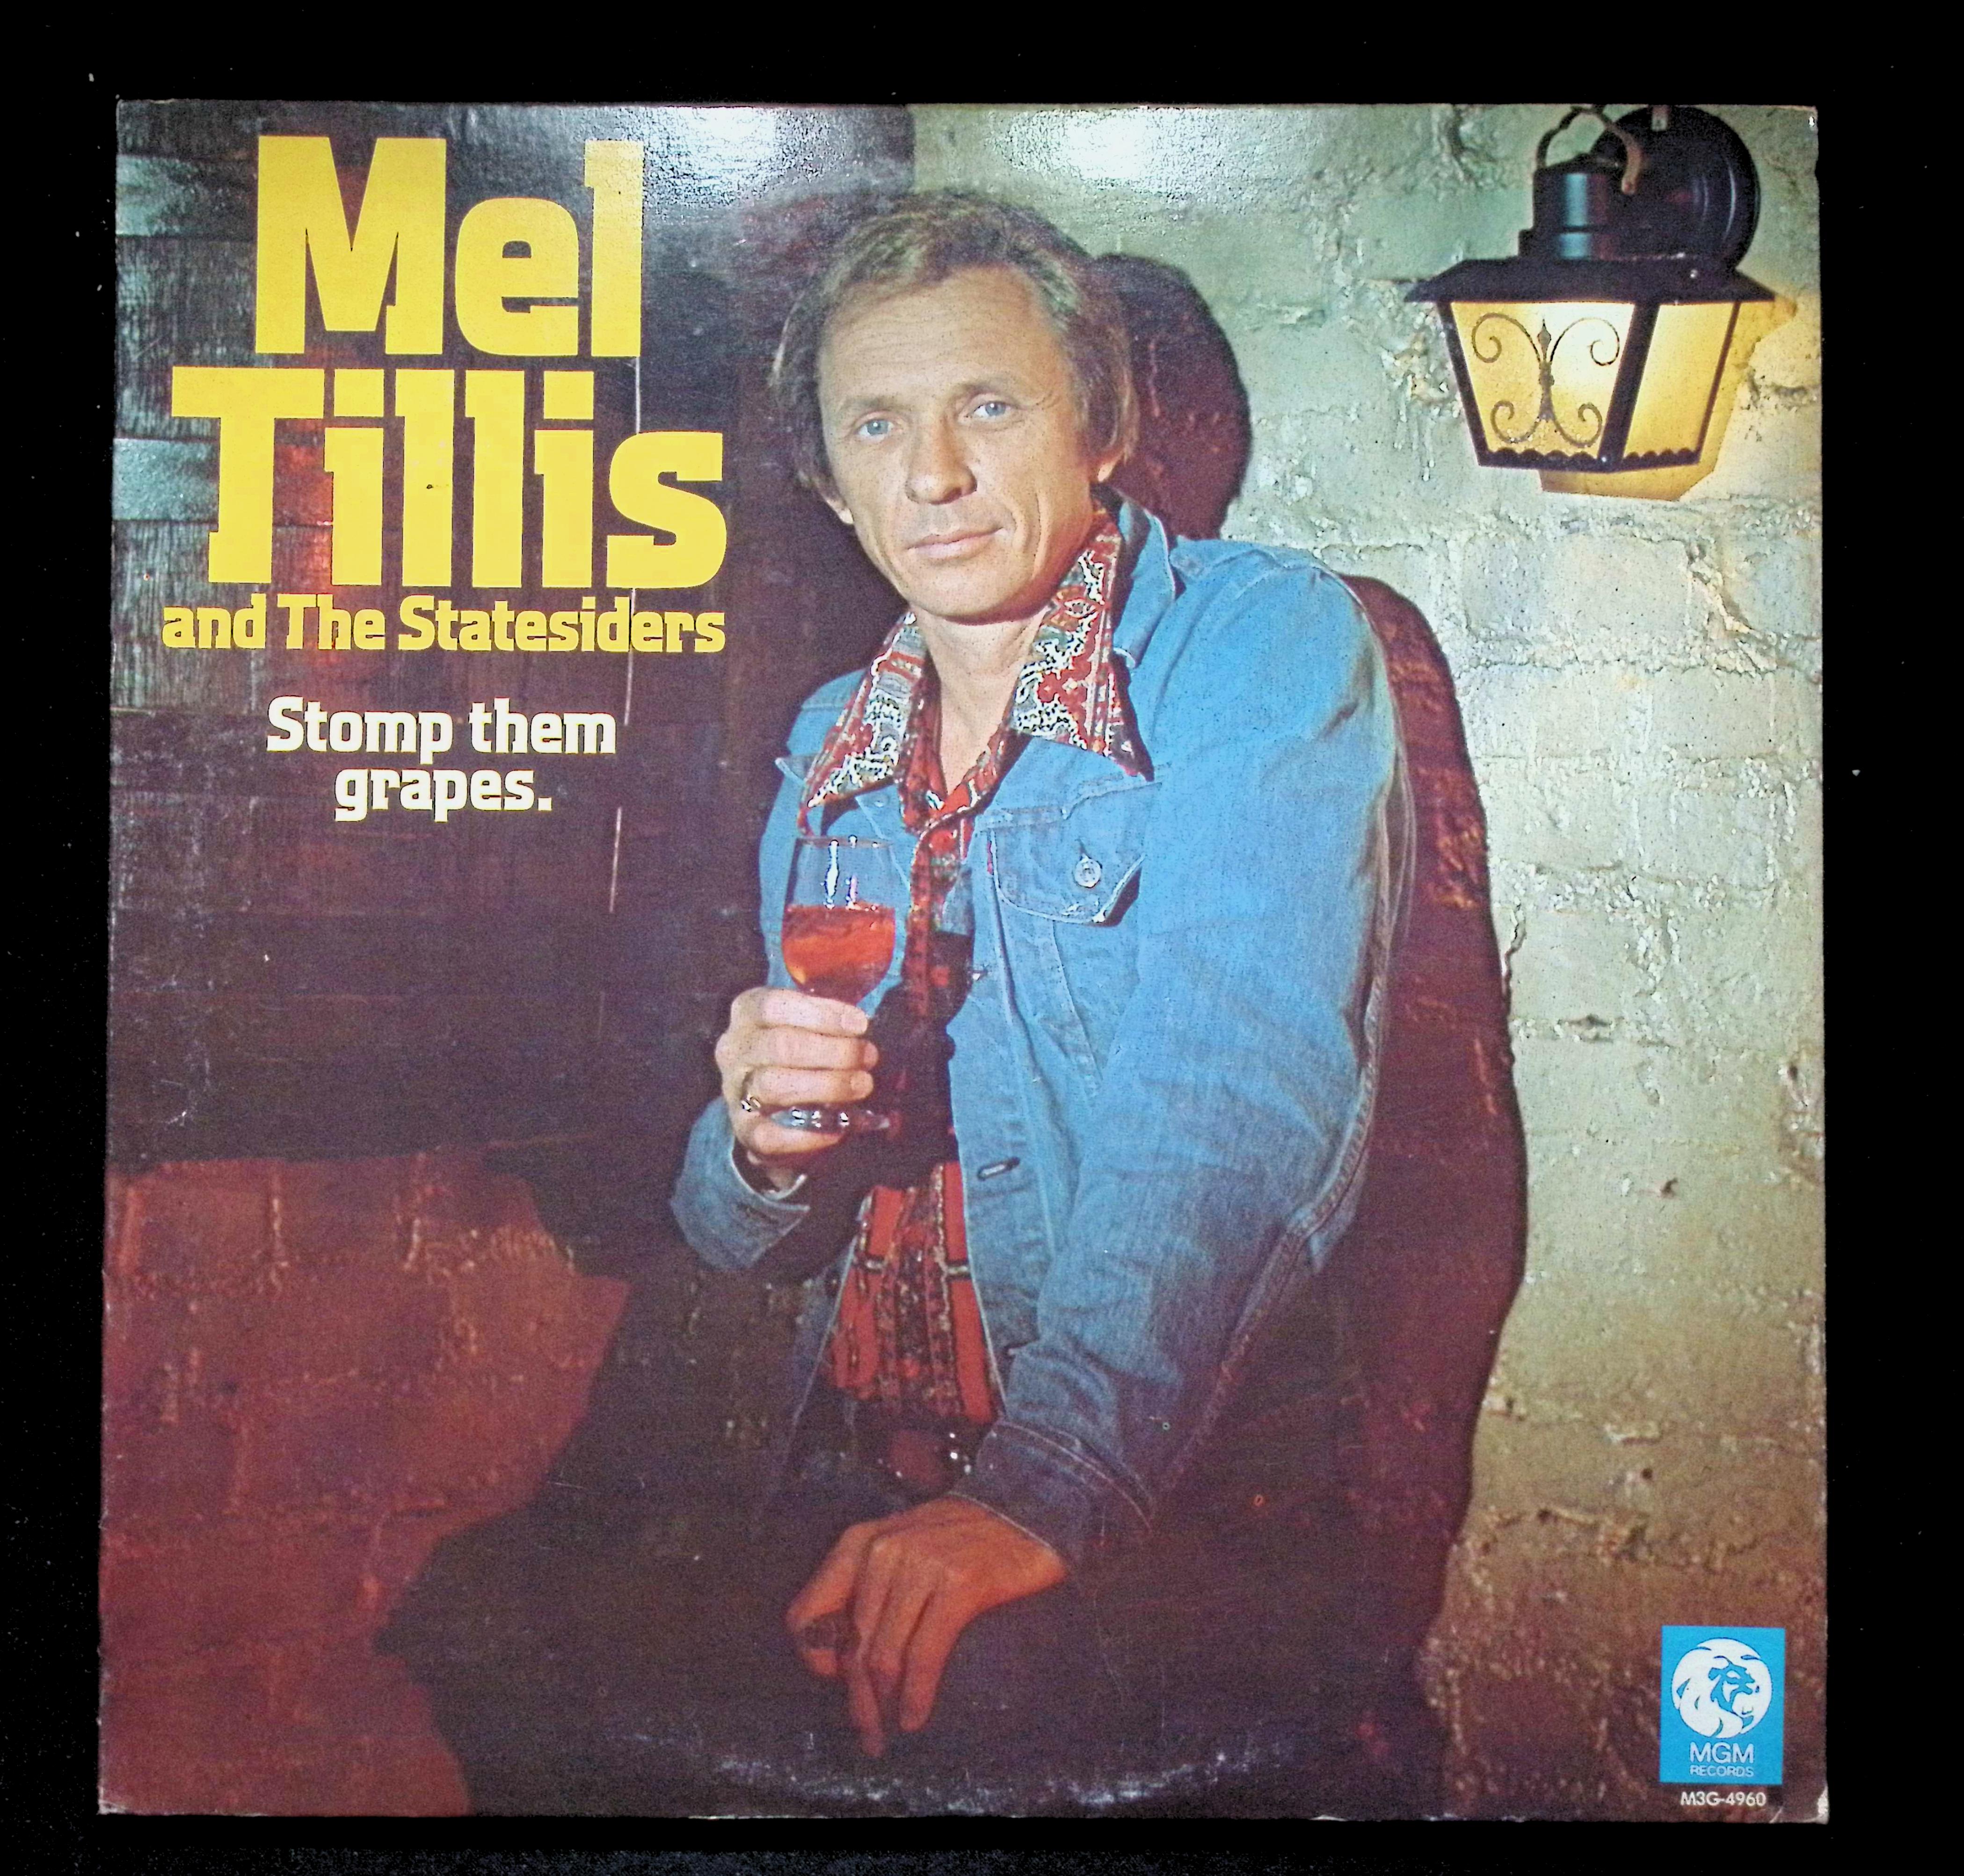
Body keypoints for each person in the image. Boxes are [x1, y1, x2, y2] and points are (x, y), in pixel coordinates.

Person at [670, 192, 1412, 1811]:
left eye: (989, 407)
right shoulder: (829, 739)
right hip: (836, 1475)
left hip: (1145, 1500)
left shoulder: (1261, 643)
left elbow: (1237, 1106)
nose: (932, 475)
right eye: (878, 425)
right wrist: (760, 1147)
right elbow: (732, 1238)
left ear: (1104, 429)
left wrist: (1041, 1488)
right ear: (831, 480)